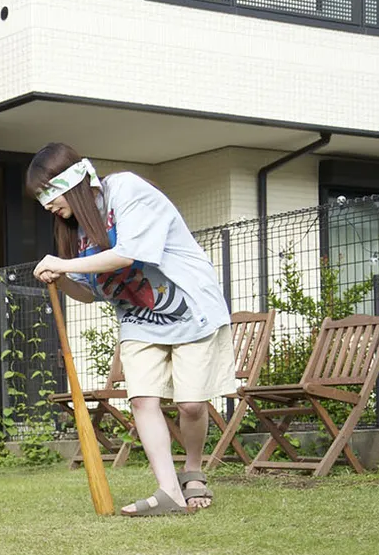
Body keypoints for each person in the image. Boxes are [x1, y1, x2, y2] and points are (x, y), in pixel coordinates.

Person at [28, 143, 233, 516]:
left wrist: (63, 261)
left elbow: (127, 254)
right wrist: (60, 278)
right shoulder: (76, 232)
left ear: (72, 181)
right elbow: (88, 293)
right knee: (142, 399)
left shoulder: (126, 190)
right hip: (138, 318)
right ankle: (168, 490)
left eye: (49, 193)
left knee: (190, 404)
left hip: (189, 306)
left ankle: (192, 469)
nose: (46, 206)